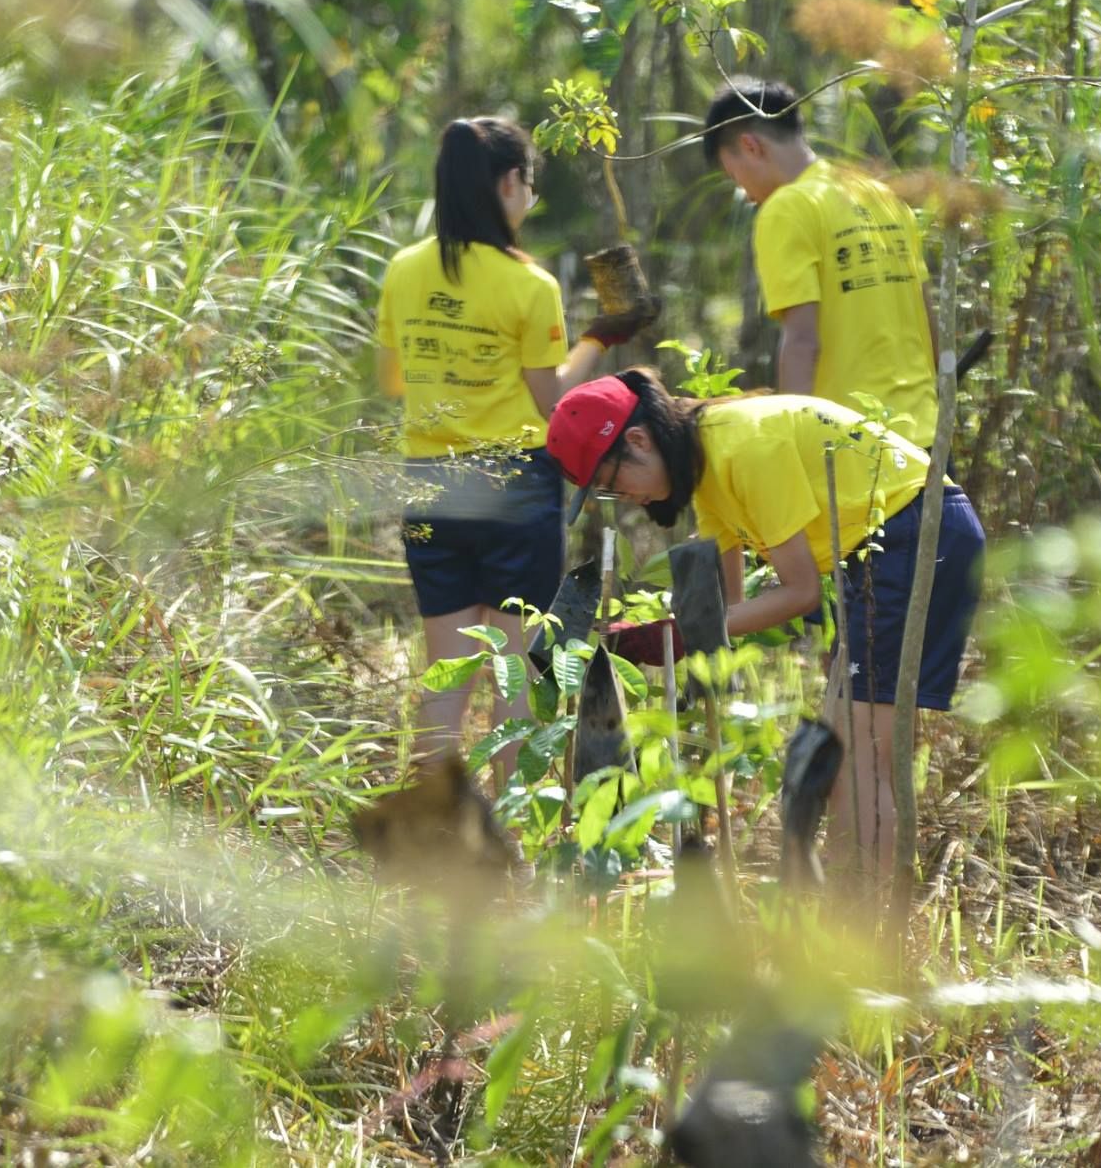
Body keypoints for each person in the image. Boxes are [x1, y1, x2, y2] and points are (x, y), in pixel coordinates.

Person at [544, 369, 985, 890]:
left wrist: (675, 636)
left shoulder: (744, 447)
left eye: (612, 482)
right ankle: (850, 914)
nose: (624, 496)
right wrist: (660, 632)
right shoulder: (706, 465)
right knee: (840, 761)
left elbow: (798, 593)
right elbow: (731, 608)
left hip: (917, 535)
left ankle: (867, 922)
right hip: (879, 550)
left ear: (638, 440)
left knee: (860, 762)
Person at [376, 117, 652, 769]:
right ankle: (514, 826)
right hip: (515, 488)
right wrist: (599, 337)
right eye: (529, 182)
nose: (531, 196)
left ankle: (435, 822)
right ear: (507, 183)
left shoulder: (404, 270)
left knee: (445, 679)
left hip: (429, 483)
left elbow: (392, 381)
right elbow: (552, 401)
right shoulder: (529, 284)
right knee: (517, 679)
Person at [703, 78, 941, 450]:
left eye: (735, 176)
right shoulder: (880, 195)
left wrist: (795, 445)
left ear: (750, 146)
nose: (745, 194)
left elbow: (802, 341)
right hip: (927, 439)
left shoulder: (787, 208)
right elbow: (926, 315)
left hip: (854, 449)